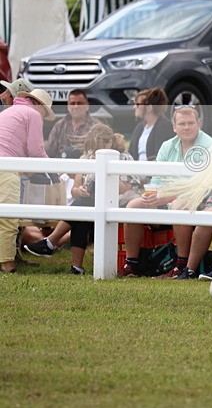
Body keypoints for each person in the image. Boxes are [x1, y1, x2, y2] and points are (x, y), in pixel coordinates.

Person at [24, 125, 138, 274]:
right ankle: (73, 264)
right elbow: (75, 189)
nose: (97, 150)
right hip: (90, 203)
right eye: (94, 147)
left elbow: (127, 189)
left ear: (110, 141)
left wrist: (105, 173)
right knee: (81, 211)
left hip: (119, 202)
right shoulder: (86, 157)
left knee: (81, 209)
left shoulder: (124, 157)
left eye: (102, 145)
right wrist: (80, 190)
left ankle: (52, 244)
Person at [119, 106, 212, 277]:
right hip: (166, 195)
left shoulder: (209, 146)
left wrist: (166, 197)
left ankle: (182, 264)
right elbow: (157, 179)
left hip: (199, 198)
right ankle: (132, 263)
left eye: (191, 123)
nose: (186, 127)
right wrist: (153, 195)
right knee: (133, 206)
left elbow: (202, 185)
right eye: (182, 124)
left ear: (198, 124)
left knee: (180, 206)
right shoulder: (167, 146)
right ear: (174, 127)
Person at [0, 89, 55, 273]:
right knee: (8, 217)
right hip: (6, 168)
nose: (43, 117)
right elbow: (36, 150)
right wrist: (54, 170)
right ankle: (7, 266)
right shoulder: (33, 114)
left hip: (6, 163)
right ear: (39, 105)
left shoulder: (9, 112)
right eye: (45, 113)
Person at [44, 89, 101, 159]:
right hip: (62, 168)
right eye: (72, 103)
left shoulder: (96, 127)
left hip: (86, 168)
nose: (76, 107)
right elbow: (50, 151)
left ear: (87, 106)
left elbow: (100, 154)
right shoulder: (59, 125)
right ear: (68, 106)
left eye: (79, 103)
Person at [128, 87, 173, 162]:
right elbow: (131, 152)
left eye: (138, 104)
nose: (134, 107)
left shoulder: (165, 127)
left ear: (149, 107)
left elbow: (160, 157)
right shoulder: (139, 128)